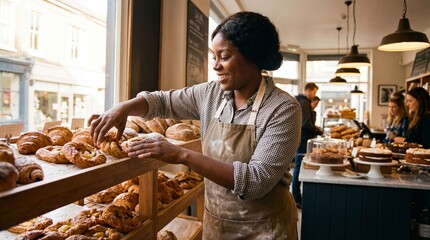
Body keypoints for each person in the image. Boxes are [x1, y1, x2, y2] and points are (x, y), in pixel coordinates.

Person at [90, 12, 301, 239]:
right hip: (217, 225)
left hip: (265, 230)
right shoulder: (211, 94)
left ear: (253, 56)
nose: (216, 66)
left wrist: (181, 154)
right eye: (214, 57)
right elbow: (163, 101)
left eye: (225, 56)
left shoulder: (283, 109)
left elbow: (255, 181)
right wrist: (123, 108)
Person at [292, 83, 323, 209]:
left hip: (302, 139)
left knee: (300, 168)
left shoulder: (302, 102)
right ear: (308, 90)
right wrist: (319, 131)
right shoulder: (304, 102)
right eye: (314, 92)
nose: (314, 95)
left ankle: (297, 196)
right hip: (303, 140)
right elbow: (305, 123)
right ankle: (296, 198)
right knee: (299, 169)